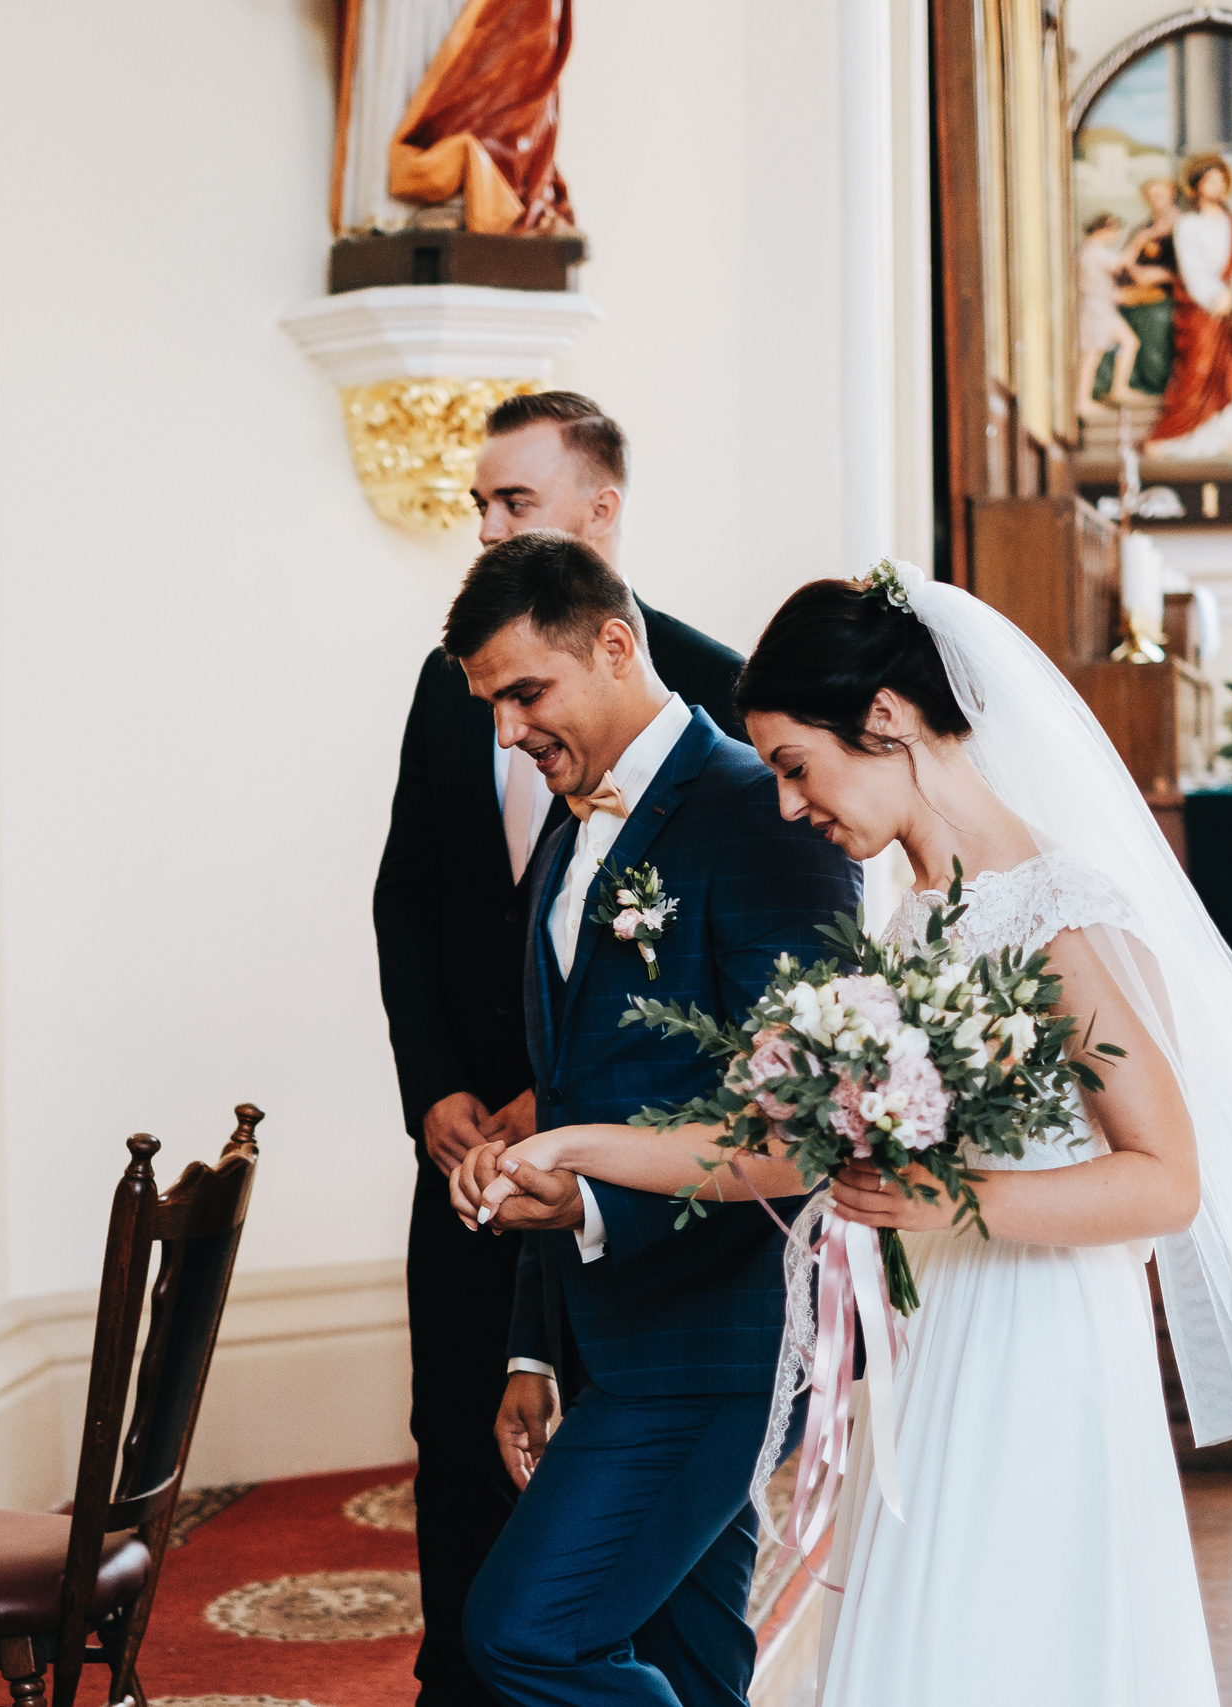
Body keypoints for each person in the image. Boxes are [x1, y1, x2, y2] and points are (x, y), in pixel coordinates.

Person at [475, 562, 1232, 1704]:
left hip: (1038, 1340)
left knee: (1007, 1643)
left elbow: (1166, 1179)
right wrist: (573, 1149)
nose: (787, 805)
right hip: (928, 1339)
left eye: (795, 765)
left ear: (884, 720)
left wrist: (948, 1201)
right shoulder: (914, 920)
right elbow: (776, 1149)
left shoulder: (1056, 910)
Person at [437, 533, 859, 1707]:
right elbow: (573, 1091)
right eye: (491, 705)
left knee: (528, 1636)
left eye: (527, 693)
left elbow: (799, 1118)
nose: (508, 731)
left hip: (718, 1335)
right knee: (691, 1663)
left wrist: (587, 1191)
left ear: (615, 645)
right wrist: (533, 1346)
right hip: (610, 1333)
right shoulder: (569, 832)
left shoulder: (764, 812)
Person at [370, 391, 745, 1707]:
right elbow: (410, 895)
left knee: (626, 1521)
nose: (485, 524)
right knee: (460, 1432)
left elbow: (731, 1010)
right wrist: (439, 1091)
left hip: (648, 1195)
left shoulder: (719, 702)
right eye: (478, 503)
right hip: (474, 1156)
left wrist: (560, 1106)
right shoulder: (456, 687)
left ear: (601, 510)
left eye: (513, 501)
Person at [1150, 155, 1232, 458]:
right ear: (1196, 186)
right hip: (1202, 311)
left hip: (1229, 311)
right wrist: (1217, 296)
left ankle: (1225, 435)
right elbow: (1192, 269)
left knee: (1228, 373)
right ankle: (1173, 436)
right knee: (1196, 373)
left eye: (1222, 181)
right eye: (1211, 180)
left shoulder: (1231, 223)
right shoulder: (1188, 224)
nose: (1218, 186)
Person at [1076, 211, 1146, 417]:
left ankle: (1119, 388)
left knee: (1129, 342)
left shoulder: (1092, 251)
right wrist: (1139, 241)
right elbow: (1123, 263)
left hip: (1104, 307)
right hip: (1096, 309)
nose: (1115, 236)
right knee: (1092, 354)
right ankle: (1082, 401)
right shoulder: (1094, 252)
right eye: (1113, 231)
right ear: (1103, 230)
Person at [1116, 176, 1180, 399]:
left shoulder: (1183, 225)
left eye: (1160, 195)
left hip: (1167, 294)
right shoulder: (1144, 228)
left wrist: (1163, 275)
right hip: (1138, 291)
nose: (1155, 200)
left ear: (1171, 193)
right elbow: (1126, 262)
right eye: (1151, 196)